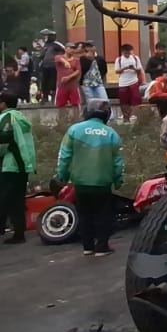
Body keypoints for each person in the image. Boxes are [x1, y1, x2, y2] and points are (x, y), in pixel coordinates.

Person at [56, 98, 125, 256]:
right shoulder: (112, 134)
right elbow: (118, 162)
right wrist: (118, 180)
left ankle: (87, 247)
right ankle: (101, 247)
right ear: (107, 114)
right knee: (103, 215)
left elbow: (64, 156)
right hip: (103, 183)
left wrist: (62, 175)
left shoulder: (74, 130)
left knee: (84, 214)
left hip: (80, 182)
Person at [0, 92, 36, 249]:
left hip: (9, 165)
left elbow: (2, 143)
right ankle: (19, 234)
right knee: (17, 201)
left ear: (4, 104)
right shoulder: (21, 117)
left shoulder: (6, 118)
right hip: (23, 165)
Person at [112, 42, 145, 123]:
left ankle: (136, 116)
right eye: (126, 53)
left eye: (129, 52)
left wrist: (133, 68)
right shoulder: (119, 60)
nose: (127, 54)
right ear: (122, 52)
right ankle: (126, 117)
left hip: (133, 82)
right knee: (124, 101)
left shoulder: (135, 58)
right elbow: (116, 71)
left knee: (136, 100)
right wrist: (124, 68)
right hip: (123, 82)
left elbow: (139, 69)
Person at [79, 41, 108, 106]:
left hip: (98, 83)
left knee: (104, 100)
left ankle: (107, 115)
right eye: (87, 47)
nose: (89, 49)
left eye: (90, 47)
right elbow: (82, 69)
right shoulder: (82, 59)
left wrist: (102, 80)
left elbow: (104, 70)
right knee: (91, 102)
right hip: (86, 84)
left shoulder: (100, 58)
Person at [54, 42, 81, 108]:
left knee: (75, 104)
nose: (72, 50)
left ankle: (76, 117)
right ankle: (62, 118)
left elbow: (78, 71)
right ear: (65, 49)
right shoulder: (59, 57)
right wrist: (65, 61)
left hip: (73, 86)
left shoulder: (76, 60)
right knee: (60, 105)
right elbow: (58, 58)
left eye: (73, 48)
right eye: (70, 48)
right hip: (62, 86)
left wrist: (68, 77)